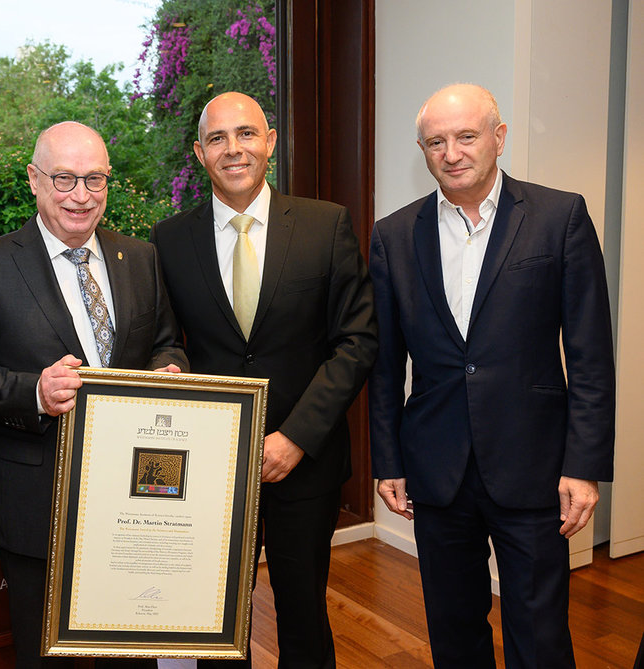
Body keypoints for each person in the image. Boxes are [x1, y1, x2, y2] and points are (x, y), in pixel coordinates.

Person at [368, 83, 615, 667]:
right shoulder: (394, 235)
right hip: (435, 467)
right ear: (423, 151)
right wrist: (389, 461)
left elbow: (590, 356)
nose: (451, 153)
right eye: (435, 142)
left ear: (498, 138)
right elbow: (384, 364)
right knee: (454, 631)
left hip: (533, 466)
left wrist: (583, 466)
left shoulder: (560, 217)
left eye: (466, 136)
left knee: (541, 632)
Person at [0, 121, 188, 668]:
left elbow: (166, 343)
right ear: (34, 179)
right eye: (64, 178)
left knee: (134, 651)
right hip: (39, 507)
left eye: (94, 179)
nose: (80, 196)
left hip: (138, 503)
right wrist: (35, 393)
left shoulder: (139, 257)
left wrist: (170, 370)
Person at [151, 91, 378, 668]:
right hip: (210, 468)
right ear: (199, 153)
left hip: (306, 463)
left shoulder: (326, 225)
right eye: (219, 139)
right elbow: (166, 338)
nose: (234, 149)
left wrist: (296, 437)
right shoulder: (168, 241)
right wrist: (167, 367)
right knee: (216, 617)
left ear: (270, 143)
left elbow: (355, 341)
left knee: (303, 614)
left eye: (247, 134)